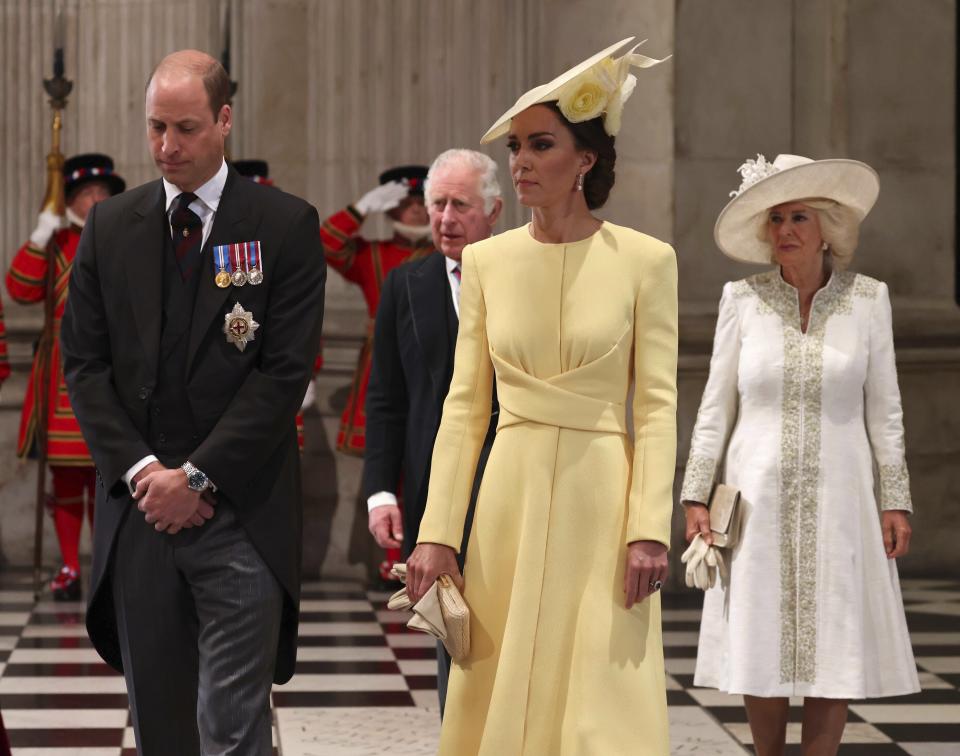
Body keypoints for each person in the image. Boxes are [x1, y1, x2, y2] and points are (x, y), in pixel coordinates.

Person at [405, 38, 675, 753]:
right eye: (517, 146)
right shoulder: (487, 261)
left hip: (602, 496)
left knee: (600, 687)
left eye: (539, 144)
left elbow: (654, 406)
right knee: (499, 679)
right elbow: (464, 408)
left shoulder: (648, 262)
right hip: (507, 499)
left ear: (585, 158)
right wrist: (437, 531)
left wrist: (649, 522)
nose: (519, 162)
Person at [60, 50, 325, 755]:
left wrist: (198, 478)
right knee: (162, 727)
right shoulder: (110, 227)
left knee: (233, 728)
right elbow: (83, 369)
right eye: (155, 129)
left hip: (240, 516)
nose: (166, 147)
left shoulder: (286, 224)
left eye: (184, 128)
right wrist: (150, 475)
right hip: (141, 515)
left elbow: (281, 375)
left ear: (225, 120)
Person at [680, 153, 919, 755]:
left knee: (834, 633)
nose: (784, 230)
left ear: (828, 229)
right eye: (776, 218)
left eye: (798, 217)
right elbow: (716, 406)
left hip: (842, 496)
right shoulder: (741, 298)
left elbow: (884, 409)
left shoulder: (869, 301)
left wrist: (895, 500)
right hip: (754, 499)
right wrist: (694, 493)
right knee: (760, 635)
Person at [363, 148, 502, 714]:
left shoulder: (526, 275)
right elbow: (386, 397)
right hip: (432, 487)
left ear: (493, 210)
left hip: (511, 479)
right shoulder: (405, 284)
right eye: (437, 204)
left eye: (460, 205)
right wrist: (379, 492)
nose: (446, 218)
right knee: (453, 635)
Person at [5, 153, 125, 599]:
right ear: (69, 200)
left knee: (109, 475)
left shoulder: (123, 238)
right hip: (60, 373)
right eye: (87, 194)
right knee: (67, 476)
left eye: (103, 193)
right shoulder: (56, 245)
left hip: (114, 370)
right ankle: (71, 566)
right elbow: (19, 289)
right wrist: (39, 236)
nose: (97, 200)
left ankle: (105, 568)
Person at [320, 164, 434, 581]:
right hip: (383, 369)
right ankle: (390, 558)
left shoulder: (446, 252)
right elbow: (325, 243)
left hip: (434, 369)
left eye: (424, 203)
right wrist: (361, 208)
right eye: (406, 205)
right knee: (387, 462)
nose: (417, 212)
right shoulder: (373, 253)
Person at [232, 158, 324, 453]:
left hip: (273, 381)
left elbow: (303, 321)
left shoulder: (283, 244)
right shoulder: (215, 244)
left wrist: (310, 370)